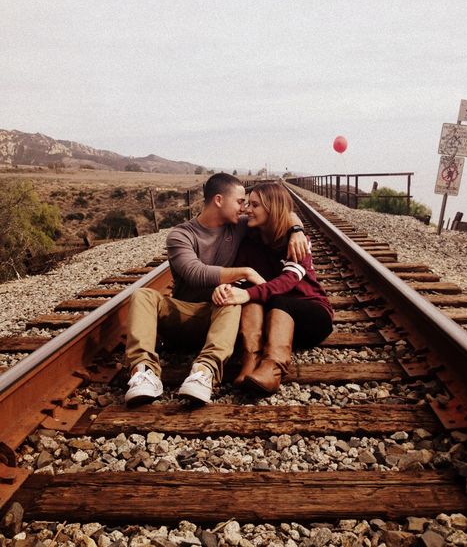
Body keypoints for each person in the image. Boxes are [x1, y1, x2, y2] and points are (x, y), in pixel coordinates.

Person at [124, 173, 309, 406]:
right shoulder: (181, 235)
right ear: (219, 200)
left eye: (248, 204)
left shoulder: (239, 226)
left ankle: (204, 373)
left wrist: (296, 230)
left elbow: (279, 213)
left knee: (232, 298)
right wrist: (245, 272)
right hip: (184, 316)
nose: (244, 209)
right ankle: (144, 372)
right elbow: (195, 272)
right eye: (241, 201)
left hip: (218, 317)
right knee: (142, 295)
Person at [212, 182, 333, 395]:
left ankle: (273, 368)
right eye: (248, 204)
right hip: (272, 323)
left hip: (311, 315)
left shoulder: (297, 242)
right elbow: (241, 279)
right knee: (250, 298)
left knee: (274, 298)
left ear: (273, 208)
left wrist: (247, 293)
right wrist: (226, 289)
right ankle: (251, 360)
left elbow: (288, 281)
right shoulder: (250, 242)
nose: (248, 209)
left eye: (255, 205)